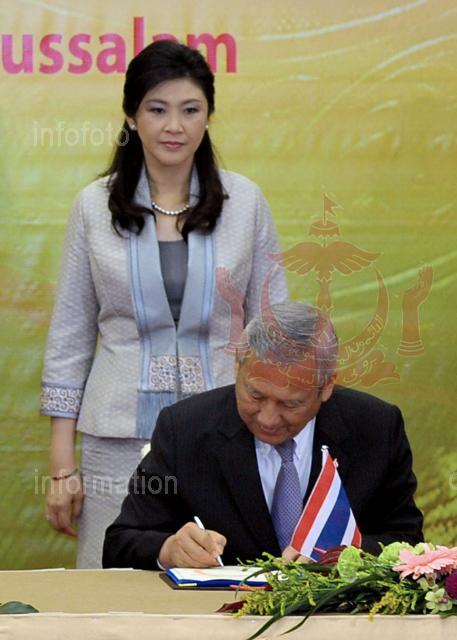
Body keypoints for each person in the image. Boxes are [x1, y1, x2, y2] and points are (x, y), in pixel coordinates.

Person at [40, 40, 287, 568]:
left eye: (190, 110)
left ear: (208, 117)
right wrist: (62, 466)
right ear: (131, 117)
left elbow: (272, 329)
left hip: (225, 434)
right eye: (157, 109)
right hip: (116, 437)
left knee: (224, 579)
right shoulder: (93, 206)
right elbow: (71, 335)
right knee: (113, 579)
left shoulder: (245, 203)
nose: (174, 126)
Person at [102, 302, 423, 570]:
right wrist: (169, 549)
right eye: (255, 395)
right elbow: (120, 542)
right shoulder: (184, 428)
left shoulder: (376, 427)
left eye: (290, 404)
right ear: (237, 367)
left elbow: (408, 542)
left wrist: (347, 556)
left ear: (326, 386)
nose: (268, 418)